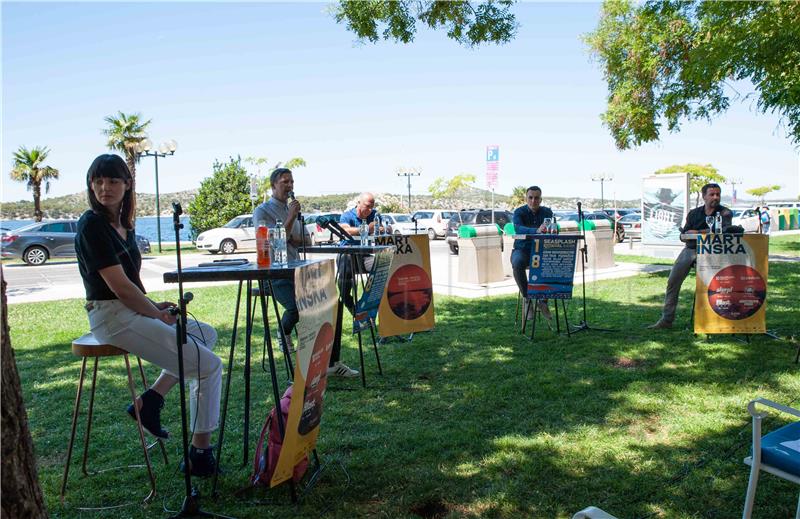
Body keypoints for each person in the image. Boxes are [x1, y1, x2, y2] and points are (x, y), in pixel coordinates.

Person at [75, 154, 222, 477]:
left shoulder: (121, 226)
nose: (105, 188)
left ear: (127, 185)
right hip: (111, 317)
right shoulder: (92, 225)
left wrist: (155, 305)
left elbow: (131, 286)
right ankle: (200, 452)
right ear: (91, 185)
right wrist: (155, 313)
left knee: (205, 335)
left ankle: (151, 400)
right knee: (209, 365)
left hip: (128, 310)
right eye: (98, 181)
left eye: (113, 181)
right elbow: (119, 288)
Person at [648, 183, 733, 329]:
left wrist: (697, 233)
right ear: (704, 196)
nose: (715, 197)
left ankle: (711, 320)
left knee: (710, 286)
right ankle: (666, 320)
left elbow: (721, 232)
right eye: (712, 194)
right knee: (673, 282)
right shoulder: (694, 213)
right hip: (690, 250)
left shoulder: (725, 213)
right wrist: (693, 234)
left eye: (718, 194)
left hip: (711, 251)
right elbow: (683, 236)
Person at [331, 192, 389, 377]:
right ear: (359, 203)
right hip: (347, 256)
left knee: (383, 268)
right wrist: (366, 228)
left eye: (372, 206)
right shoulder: (347, 215)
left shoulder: (375, 215)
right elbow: (344, 231)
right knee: (344, 293)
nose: (369, 210)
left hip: (364, 256)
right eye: (367, 206)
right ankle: (358, 314)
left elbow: (382, 230)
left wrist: (377, 229)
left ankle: (374, 315)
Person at [253, 167, 307, 353]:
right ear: (273, 185)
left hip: (296, 268)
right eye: (285, 182)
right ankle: (283, 332)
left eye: (292, 182)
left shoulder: (294, 209)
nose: (290, 185)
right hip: (275, 272)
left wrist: (291, 233)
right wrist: (290, 218)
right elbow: (273, 242)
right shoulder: (263, 211)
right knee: (295, 308)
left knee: (312, 306)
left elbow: (305, 240)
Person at [510, 186, 554, 321]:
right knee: (517, 263)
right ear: (526, 198)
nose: (533, 200)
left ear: (540, 199)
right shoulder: (519, 212)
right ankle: (527, 298)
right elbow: (518, 228)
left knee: (551, 263)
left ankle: (543, 301)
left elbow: (551, 227)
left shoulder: (547, 212)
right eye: (530, 197)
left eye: (536, 198)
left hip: (541, 250)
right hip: (522, 249)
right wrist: (536, 231)